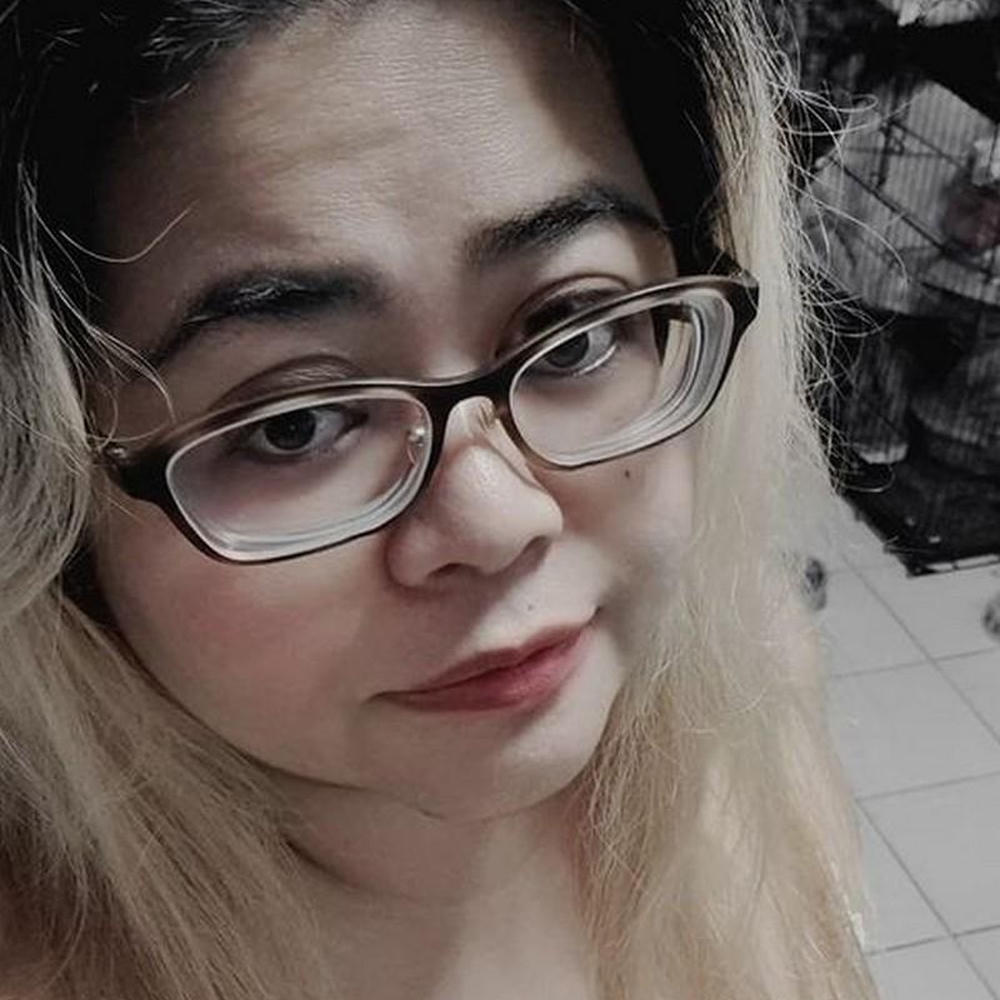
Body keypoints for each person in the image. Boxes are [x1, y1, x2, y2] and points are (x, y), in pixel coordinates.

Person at [0, 2, 878, 998]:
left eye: (577, 333)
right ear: (48, 499)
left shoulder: (754, 688)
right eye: (293, 425)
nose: (497, 524)